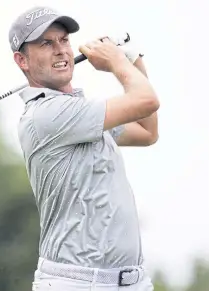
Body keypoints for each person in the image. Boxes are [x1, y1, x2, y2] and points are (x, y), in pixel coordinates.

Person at [8, 6, 159, 291]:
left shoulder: (80, 111)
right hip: (75, 283)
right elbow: (146, 101)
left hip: (132, 282)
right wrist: (116, 63)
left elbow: (147, 131)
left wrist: (132, 58)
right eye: (46, 43)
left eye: (64, 40)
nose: (60, 50)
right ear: (22, 60)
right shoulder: (47, 114)